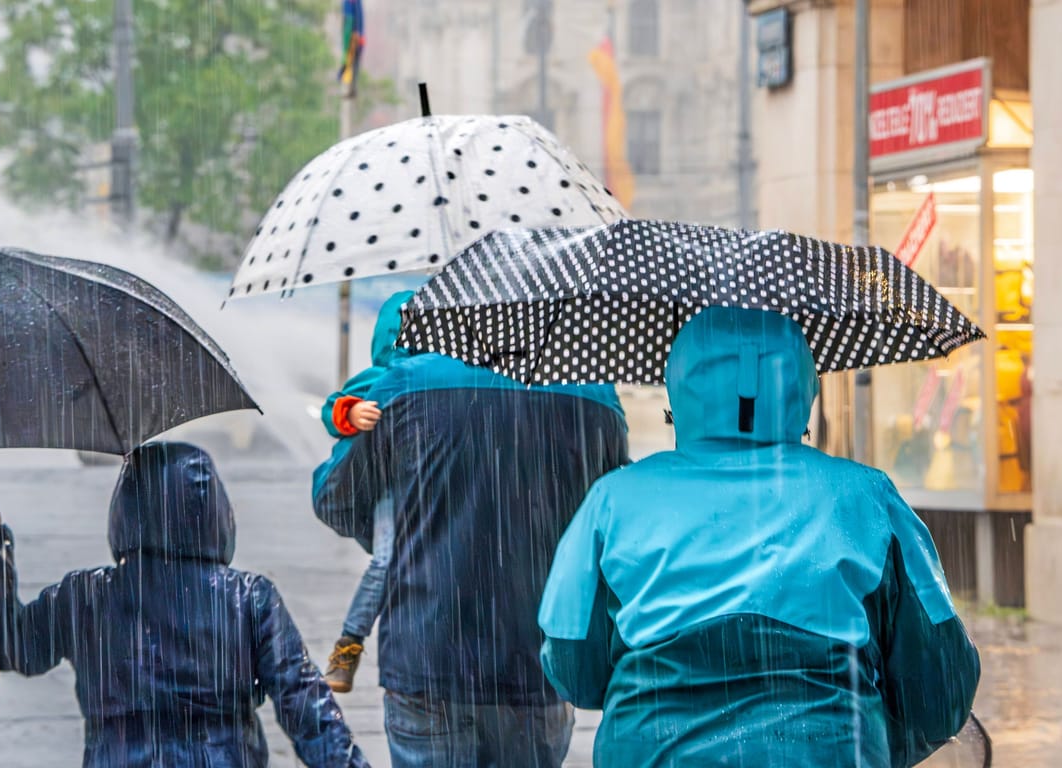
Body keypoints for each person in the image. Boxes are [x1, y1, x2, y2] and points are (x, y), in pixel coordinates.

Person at [538, 307, 980, 767]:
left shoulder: (614, 500)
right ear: (803, 392)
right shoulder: (867, 496)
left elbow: (575, 670)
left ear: (680, 396)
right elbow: (942, 692)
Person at [0, 441, 369, 768]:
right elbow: (306, 707)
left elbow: (9, 644)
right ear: (215, 512)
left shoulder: (88, 596)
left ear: (125, 510)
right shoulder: (249, 598)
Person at [313, 350, 629, 766]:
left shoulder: (407, 384)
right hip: (542, 661)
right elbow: (615, 524)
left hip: (428, 655)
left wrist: (414, 539)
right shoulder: (594, 395)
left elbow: (336, 498)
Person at [318, 290, 412, 692]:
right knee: (387, 561)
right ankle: (349, 642)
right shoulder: (377, 379)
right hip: (393, 487)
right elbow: (334, 408)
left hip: (437, 485)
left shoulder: (453, 375)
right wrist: (353, 413)